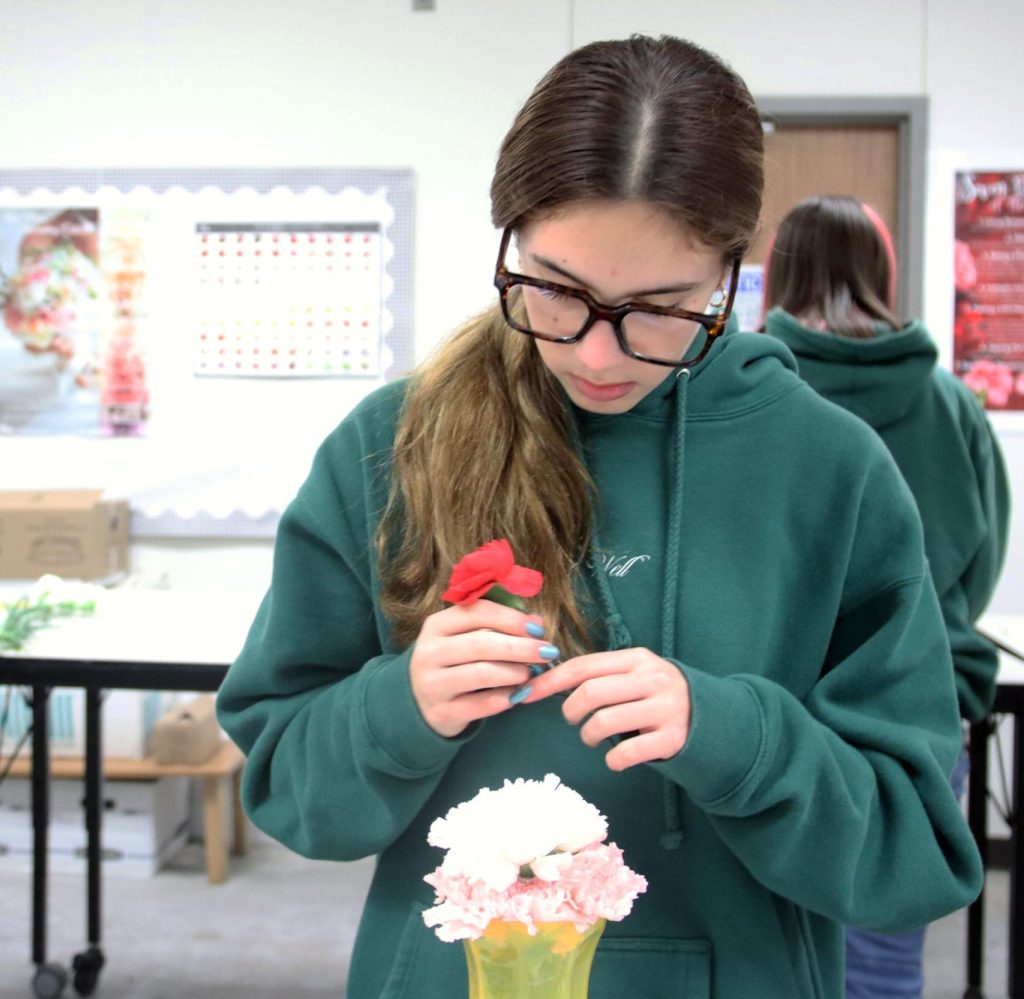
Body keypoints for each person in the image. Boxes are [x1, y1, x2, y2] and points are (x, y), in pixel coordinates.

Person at [217, 36, 981, 998]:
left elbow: (913, 853)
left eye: (660, 306)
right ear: (511, 243)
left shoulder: (830, 470)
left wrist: (738, 736)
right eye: (556, 289)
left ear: (727, 277)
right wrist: (397, 706)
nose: (597, 353)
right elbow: (289, 789)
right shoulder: (392, 446)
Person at [762, 194, 1010, 999]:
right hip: (916, 707)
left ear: (780, 268)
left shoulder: (747, 388)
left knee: (758, 954)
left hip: (769, 715)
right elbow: (982, 558)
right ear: (879, 269)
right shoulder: (947, 400)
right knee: (880, 965)